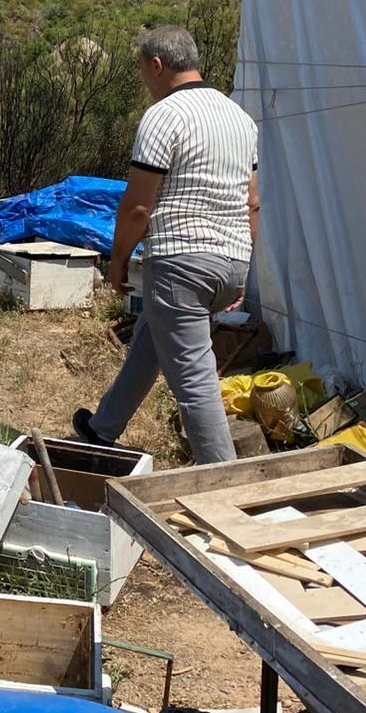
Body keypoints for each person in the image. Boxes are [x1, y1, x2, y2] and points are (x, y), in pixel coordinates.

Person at [73, 26, 260, 464]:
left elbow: (138, 205)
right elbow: (252, 202)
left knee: (194, 382)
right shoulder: (241, 118)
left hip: (181, 261)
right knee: (151, 337)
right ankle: (103, 429)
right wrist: (242, 273)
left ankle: (225, 481)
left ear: (157, 65)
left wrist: (118, 260)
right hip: (230, 260)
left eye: (143, 72)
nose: (145, 81)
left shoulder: (164, 115)